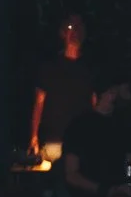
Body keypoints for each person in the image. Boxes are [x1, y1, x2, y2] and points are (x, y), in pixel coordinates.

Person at [57, 73, 131, 197]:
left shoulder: (123, 124)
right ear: (97, 96)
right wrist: (104, 190)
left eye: (114, 92)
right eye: (109, 92)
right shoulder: (79, 126)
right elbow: (71, 174)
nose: (113, 96)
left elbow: (129, 161)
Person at [30, 14, 95, 163]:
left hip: (83, 142)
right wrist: (33, 138)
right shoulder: (49, 67)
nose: (75, 33)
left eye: (78, 28)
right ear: (63, 33)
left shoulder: (89, 68)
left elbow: (94, 103)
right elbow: (39, 103)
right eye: (70, 28)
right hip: (55, 142)